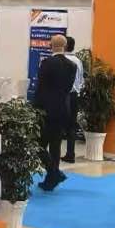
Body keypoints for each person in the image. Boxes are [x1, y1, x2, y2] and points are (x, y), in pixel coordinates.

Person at [34, 34, 78, 191]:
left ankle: (54, 172)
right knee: (55, 145)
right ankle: (51, 179)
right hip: (63, 109)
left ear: (50, 45)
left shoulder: (47, 63)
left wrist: (35, 108)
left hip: (46, 110)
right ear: (65, 46)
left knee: (37, 145)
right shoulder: (72, 66)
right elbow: (68, 89)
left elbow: (40, 88)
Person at [62, 36, 84, 163]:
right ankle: (70, 154)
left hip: (63, 96)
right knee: (72, 126)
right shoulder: (78, 61)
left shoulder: (61, 60)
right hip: (74, 96)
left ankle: (53, 155)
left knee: (57, 125)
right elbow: (81, 80)